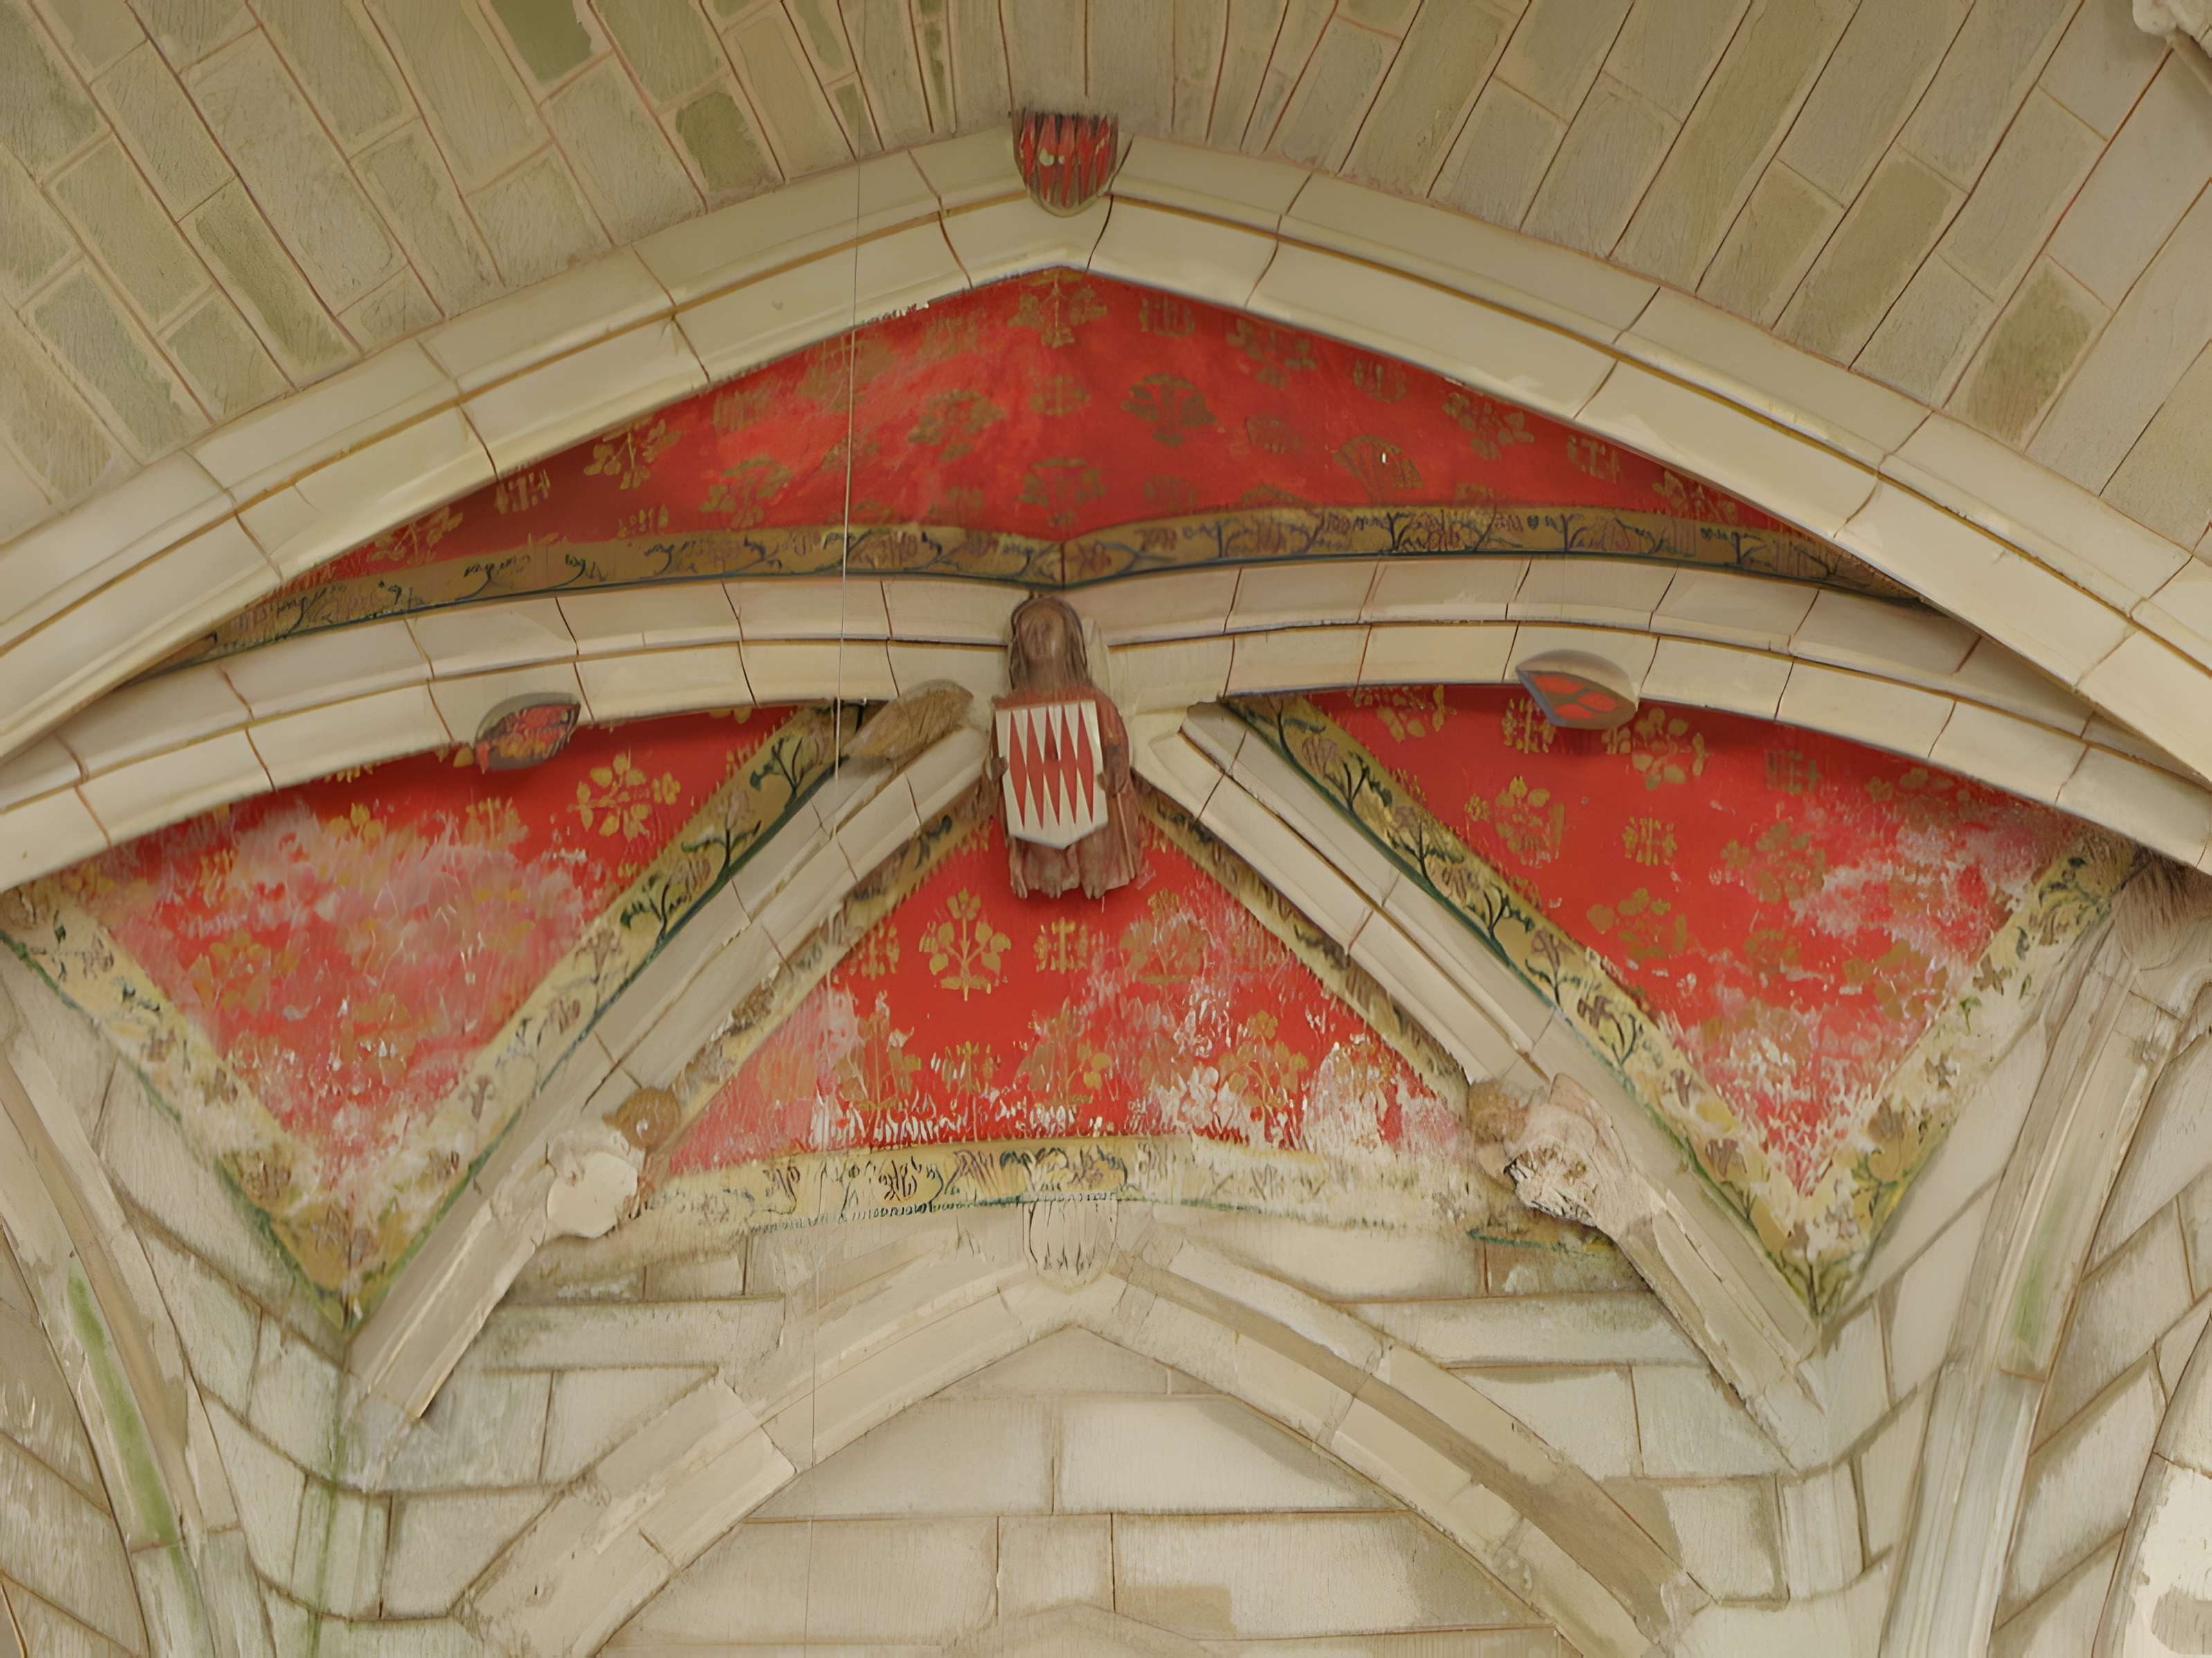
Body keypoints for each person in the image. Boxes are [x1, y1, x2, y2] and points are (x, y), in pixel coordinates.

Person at [993, 594, 1142, 898]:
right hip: (1038, 829)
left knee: (1094, 837)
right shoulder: (1010, 710)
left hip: (1093, 824)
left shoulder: (1096, 704)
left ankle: (1093, 865)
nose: (1038, 637)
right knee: (1042, 841)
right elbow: (1003, 775)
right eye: (1029, 630)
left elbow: (1116, 752)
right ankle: (1047, 866)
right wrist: (996, 772)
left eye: (1047, 628)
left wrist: (1115, 767)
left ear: (1068, 639)